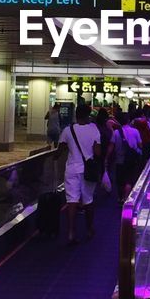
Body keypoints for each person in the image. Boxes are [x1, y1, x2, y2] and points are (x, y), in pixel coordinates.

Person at [57, 104, 101, 245]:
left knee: (72, 201)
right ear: (89, 115)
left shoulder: (67, 130)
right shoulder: (94, 129)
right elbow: (98, 152)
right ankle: (89, 229)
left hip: (71, 169)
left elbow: (60, 150)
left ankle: (70, 232)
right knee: (88, 200)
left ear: (76, 114)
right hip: (87, 170)